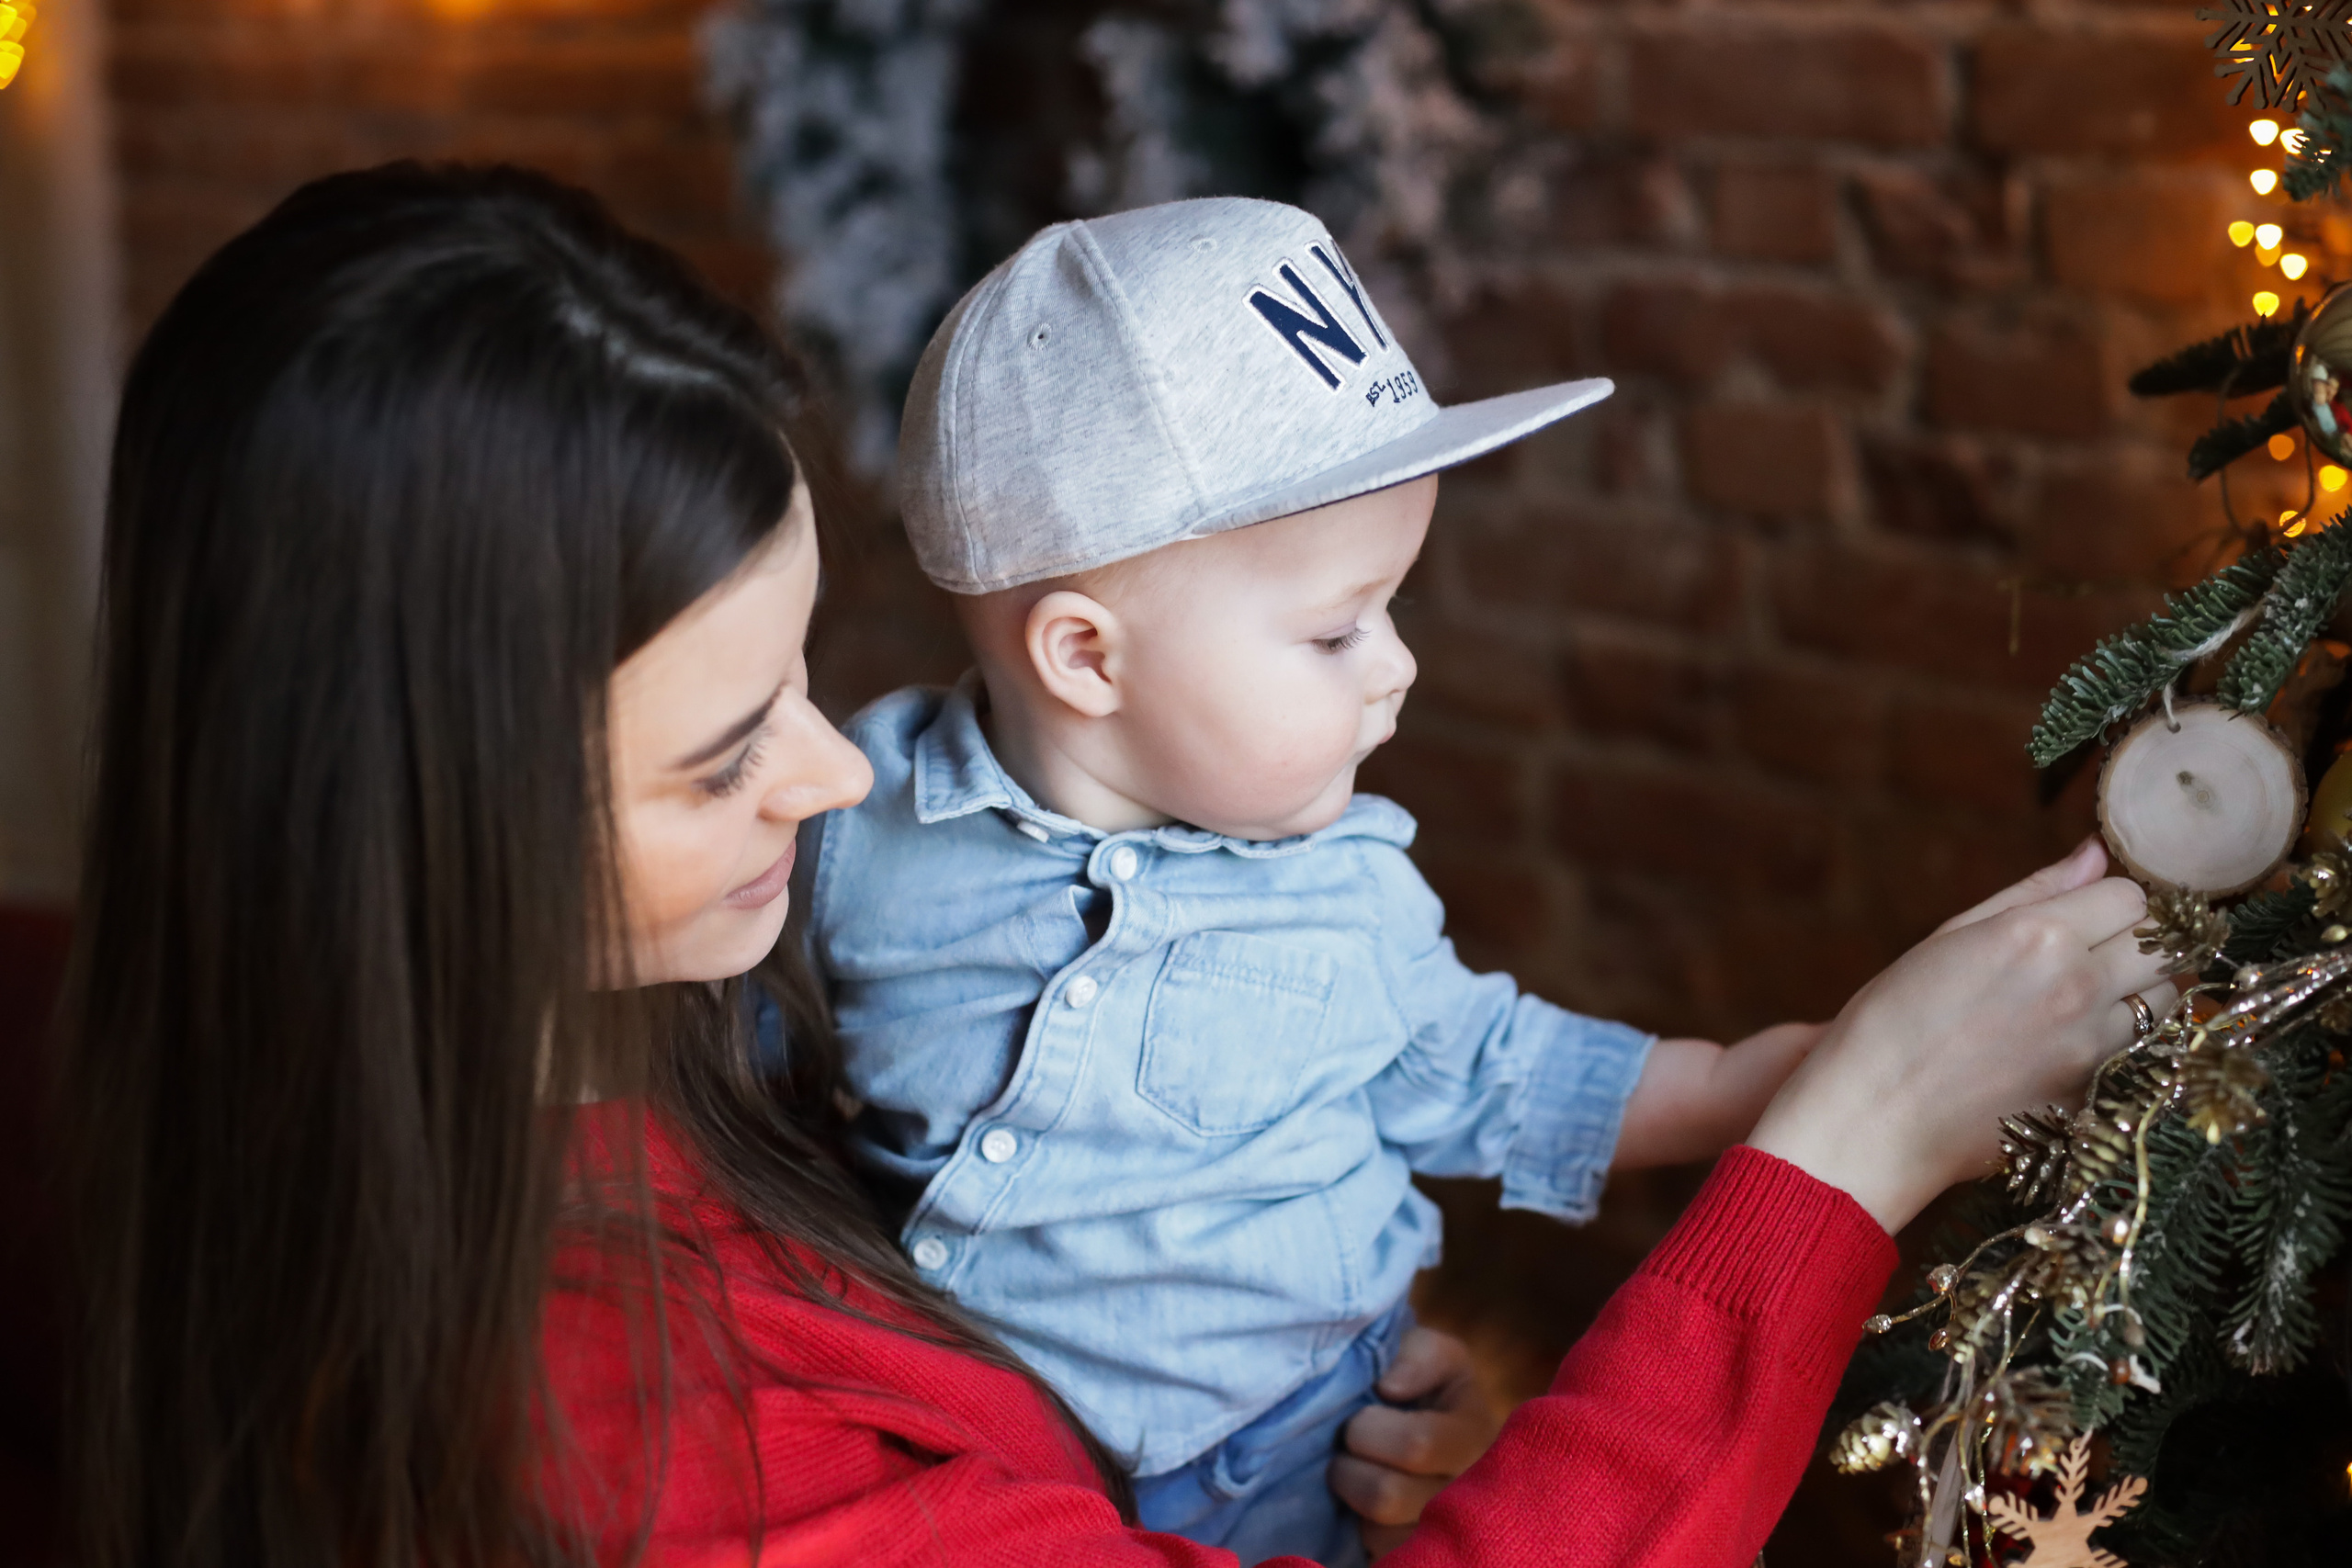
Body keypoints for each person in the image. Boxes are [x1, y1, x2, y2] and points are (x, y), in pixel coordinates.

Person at [59, 163, 2176, 1568]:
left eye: (808, 672)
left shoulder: (663, 1066)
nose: (829, 775)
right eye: (716, 757)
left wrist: (1321, 1397)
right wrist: (1842, 1150)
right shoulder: (633, 1435)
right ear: (412, 803)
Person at [800, 197, 1819, 1562]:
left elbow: (1503, 1072)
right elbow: (752, 1095)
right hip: (974, 1482)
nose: (1397, 665)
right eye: (1339, 629)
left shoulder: (1350, 901)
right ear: (1088, 660)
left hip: (1293, 1472)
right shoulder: (845, 822)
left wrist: (1767, 1086)